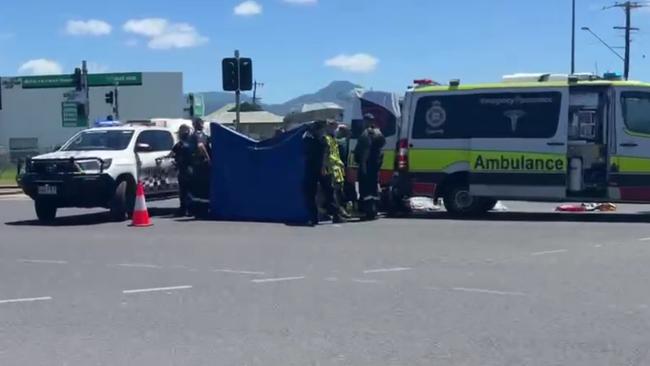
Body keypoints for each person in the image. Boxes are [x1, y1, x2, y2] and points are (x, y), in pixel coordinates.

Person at [354, 113, 386, 220]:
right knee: (373, 189)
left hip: (367, 165)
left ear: (367, 121)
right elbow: (381, 150)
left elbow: (366, 150)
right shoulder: (379, 132)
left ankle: (368, 212)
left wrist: (363, 165)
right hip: (375, 165)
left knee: (366, 189)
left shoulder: (366, 134)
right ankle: (374, 210)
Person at [302, 120, 327, 226]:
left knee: (311, 193)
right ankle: (317, 216)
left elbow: (305, 143)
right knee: (322, 192)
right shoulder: (321, 140)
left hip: (314, 170)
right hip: (318, 169)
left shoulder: (315, 141)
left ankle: (315, 216)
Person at [166, 125, 193, 216]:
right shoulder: (192, 143)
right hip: (191, 169)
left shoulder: (180, 145)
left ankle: (184, 209)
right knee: (190, 190)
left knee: (184, 191)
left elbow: (170, 155)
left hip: (183, 170)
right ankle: (190, 209)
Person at [323, 119, 346, 223]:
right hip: (331, 168)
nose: (335, 129)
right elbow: (327, 155)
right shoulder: (326, 138)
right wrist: (337, 162)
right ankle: (335, 213)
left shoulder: (333, 138)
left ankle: (336, 211)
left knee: (337, 191)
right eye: (332, 126)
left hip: (336, 168)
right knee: (332, 192)